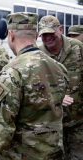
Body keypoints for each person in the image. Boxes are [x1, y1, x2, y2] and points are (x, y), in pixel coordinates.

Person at [0, 12, 68, 160]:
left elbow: (3, 126)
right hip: (53, 151)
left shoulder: (12, 71)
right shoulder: (59, 68)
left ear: (11, 35)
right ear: (36, 35)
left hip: (24, 153)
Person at [38, 15, 83, 160]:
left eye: (51, 33)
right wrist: (55, 97)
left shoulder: (77, 47)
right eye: (44, 35)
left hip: (78, 123)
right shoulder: (38, 55)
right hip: (52, 126)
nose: (48, 38)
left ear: (61, 30)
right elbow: (33, 88)